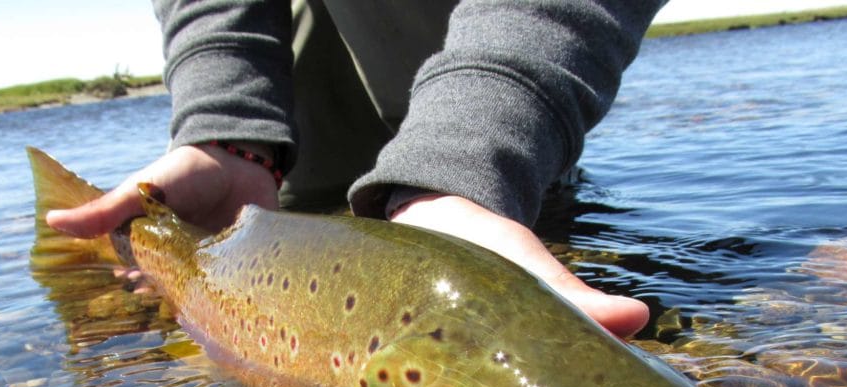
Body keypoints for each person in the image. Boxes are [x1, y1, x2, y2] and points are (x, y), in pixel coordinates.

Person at [48, 0, 664, 337]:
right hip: (315, 59)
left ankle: (473, 192)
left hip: (518, 52)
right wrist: (229, 134)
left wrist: (470, 161)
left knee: (511, 200)